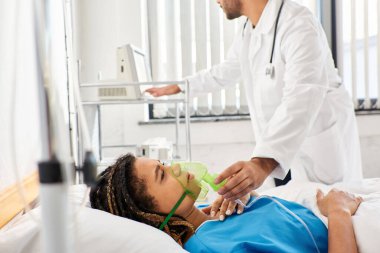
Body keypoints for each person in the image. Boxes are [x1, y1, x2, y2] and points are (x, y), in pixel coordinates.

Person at [145, 0, 363, 200]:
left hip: (317, 147)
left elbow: (303, 95)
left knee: (335, 209)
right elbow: (227, 70)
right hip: (280, 151)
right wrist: (182, 87)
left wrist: (263, 162)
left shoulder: (298, 23)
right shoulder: (248, 30)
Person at [90, 154, 363, 252]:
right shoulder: (213, 247)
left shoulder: (219, 215)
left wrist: (249, 197)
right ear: (149, 216)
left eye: (164, 163)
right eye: (162, 175)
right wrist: (338, 212)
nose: (174, 168)